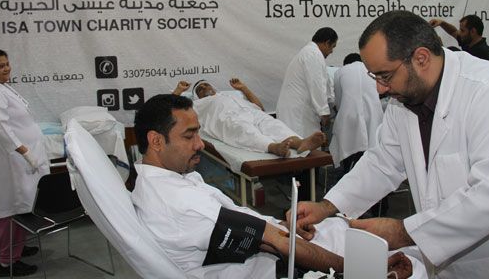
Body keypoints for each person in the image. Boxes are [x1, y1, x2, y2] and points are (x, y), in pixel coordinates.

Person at [288, 11, 489, 278]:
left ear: (421, 58)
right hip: (446, 267)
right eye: (375, 77)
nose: (380, 89)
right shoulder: (405, 100)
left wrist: (404, 232)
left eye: (385, 76)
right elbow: (383, 162)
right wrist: (327, 206)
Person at [131, 94, 414, 278]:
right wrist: (356, 270)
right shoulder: (178, 203)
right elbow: (278, 243)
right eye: (189, 136)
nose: (200, 145)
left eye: (198, 134)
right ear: (156, 141)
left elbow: (261, 232)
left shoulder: (168, 180)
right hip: (276, 267)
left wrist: (281, 224)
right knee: (409, 263)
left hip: (273, 247)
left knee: (343, 228)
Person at [0, 49, 50, 277]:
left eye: (7, 64)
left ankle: (18, 248)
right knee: (10, 211)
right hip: (8, 163)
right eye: (0, 66)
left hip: (16, 161)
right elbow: (1, 129)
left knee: (22, 206)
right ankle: (7, 264)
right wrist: (26, 152)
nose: (6, 68)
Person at [172, 78, 325, 157]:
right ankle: (274, 147)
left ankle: (300, 143)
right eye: (200, 89)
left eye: (207, 85)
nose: (205, 88)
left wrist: (244, 89)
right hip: (227, 118)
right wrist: (178, 91)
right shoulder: (197, 104)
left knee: (273, 123)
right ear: (196, 96)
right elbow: (169, 109)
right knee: (244, 130)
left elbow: (260, 108)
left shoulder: (229, 96)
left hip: (252, 113)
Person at [276, 27, 337, 138]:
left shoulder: (308, 52)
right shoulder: (313, 54)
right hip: (298, 115)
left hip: (295, 112)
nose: (332, 51)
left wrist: (330, 104)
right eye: (332, 47)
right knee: (304, 145)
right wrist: (324, 113)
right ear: (327, 43)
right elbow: (317, 85)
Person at [329, 53, 384, 173]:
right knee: (372, 146)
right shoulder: (372, 70)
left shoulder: (340, 72)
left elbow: (339, 100)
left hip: (349, 116)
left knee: (348, 147)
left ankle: (348, 172)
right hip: (374, 114)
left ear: (345, 64)